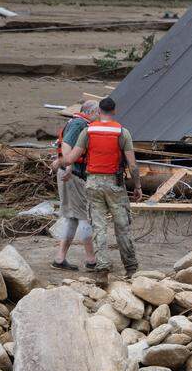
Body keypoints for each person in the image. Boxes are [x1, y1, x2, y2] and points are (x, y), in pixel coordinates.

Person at [59, 97, 141, 278]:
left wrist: (58, 162)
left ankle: (102, 267)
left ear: (99, 111)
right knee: (122, 226)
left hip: (93, 184)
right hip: (115, 184)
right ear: (114, 111)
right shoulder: (122, 132)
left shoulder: (88, 132)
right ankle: (131, 268)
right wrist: (137, 186)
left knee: (99, 227)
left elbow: (71, 158)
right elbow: (133, 165)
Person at [48, 99, 98, 271]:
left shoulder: (77, 122)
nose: (99, 117)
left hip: (70, 175)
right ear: (91, 112)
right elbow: (67, 145)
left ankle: (60, 259)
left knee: (72, 218)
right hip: (72, 175)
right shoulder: (79, 124)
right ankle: (92, 261)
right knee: (84, 217)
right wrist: (69, 166)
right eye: (98, 113)